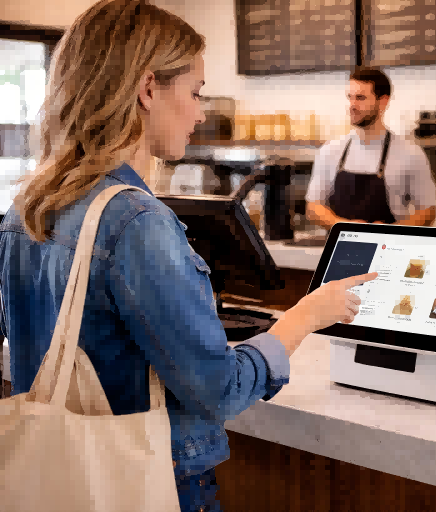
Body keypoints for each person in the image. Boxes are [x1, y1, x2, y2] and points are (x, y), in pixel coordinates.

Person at [0, 1, 376, 511]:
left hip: (51, 478)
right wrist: (304, 317)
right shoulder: (136, 222)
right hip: (144, 480)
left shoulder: (29, 208)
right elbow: (219, 390)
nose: (201, 114)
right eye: (196, 93)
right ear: (148, 89)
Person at [306, 67, 436, 228]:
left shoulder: (410, 154)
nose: (352, 105)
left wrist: (384, 232)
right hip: (340, 249)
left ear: (383, 101)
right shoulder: (330, 150)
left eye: (360, 98)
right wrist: (345, 227)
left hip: (389, 248)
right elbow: (313, 207)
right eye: (350, 97)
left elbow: (427, 212)